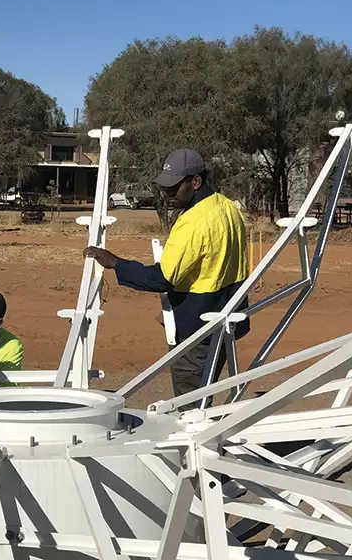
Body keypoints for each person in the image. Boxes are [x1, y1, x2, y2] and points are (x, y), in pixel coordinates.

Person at [84, 148, 249, 405]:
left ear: (196, 182)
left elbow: (163, 278)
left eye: (174, 187)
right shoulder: (228, 208)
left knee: (190, 405)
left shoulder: (194, 221)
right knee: (204, 393)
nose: (168, 194)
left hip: (198, 327)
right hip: (228, 317)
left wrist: (116, 263)